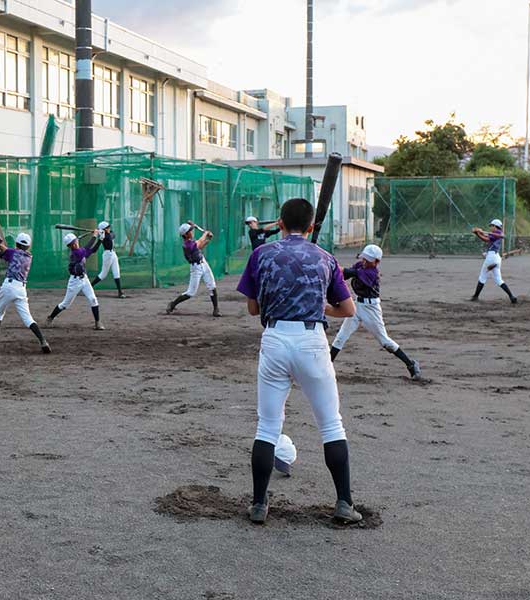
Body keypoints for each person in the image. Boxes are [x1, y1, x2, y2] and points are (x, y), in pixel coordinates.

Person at [236, 197, 362, 525]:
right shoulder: (325, 257)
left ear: (279, 223)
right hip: (312, 341)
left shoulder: (261, 254)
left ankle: (260, 504)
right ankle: (344, 503)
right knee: (331, 424)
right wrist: (319, 306)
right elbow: (348, 310)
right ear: (310, 227)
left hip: (275, 339)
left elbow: (253, 309)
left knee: (267, 425)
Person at [330, 244, 421, 380]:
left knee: (385, 341)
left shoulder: (372, 273)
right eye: (364, 258)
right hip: (356, 305)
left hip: (371, 309)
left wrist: (332, 265)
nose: (365, 261)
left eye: (369, 259)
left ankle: (411, 364)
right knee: (340, 337)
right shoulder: (361, 265)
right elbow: (344, 275)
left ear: (377, 262)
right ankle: (327, 368)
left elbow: (349, 272)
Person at [0, 233, 51, 353]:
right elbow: (6, 252)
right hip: (21, 289)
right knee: (28, 318)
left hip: (9, 286)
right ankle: (43, 340)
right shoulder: (29, 256)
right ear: (28, 246)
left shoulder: (13, 253)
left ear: (17, 243)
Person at [46, 231, 105, 330]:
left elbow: (93, 250)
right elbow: (87, 248)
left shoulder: (80, 251)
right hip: (75, 282)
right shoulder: (76, 253)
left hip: (84, 279)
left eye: (76, 241)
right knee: (65, 304)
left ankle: (97, 323)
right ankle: (50, 317)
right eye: (75, 242)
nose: (76, 243)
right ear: (72, 245)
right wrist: (94, 236)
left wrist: (100, 240)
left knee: (93, 299)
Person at [166, 221, 220, 317]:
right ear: (185, 235)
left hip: (203, 263)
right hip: (196, 268)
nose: (192, 232)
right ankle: (172, 304)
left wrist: (208, 239)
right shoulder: (187, 244)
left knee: (212, 285)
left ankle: (216, 309)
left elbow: (200, 247)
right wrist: (205, 234)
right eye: (190, 231)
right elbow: (198, 243)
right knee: (191, 292)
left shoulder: (191, 240)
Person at [470, 219, 517, 304]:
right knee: (499, 280)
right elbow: (487, 236)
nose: (490, 227)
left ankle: (475, 296)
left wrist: (477, 233)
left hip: (491, 257)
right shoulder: (496, 234)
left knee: (482, 276)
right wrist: (479, 232)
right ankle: (512, 297)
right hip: (496, 258)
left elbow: (485, 239)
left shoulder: (498, 233)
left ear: (495, 226)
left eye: (491, 226)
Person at [90, 221, 127, 298]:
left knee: (116, 272)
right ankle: (89, 287)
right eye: (108, 228)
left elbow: (113, 235)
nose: (109, 228)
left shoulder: (108, 234)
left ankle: (120, 292)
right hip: (107, 255)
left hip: (113, 254)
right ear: (104, 229)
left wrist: (102, 232)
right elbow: (95, 249)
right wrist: (100, 237)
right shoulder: (103, 237)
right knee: (103, 274)